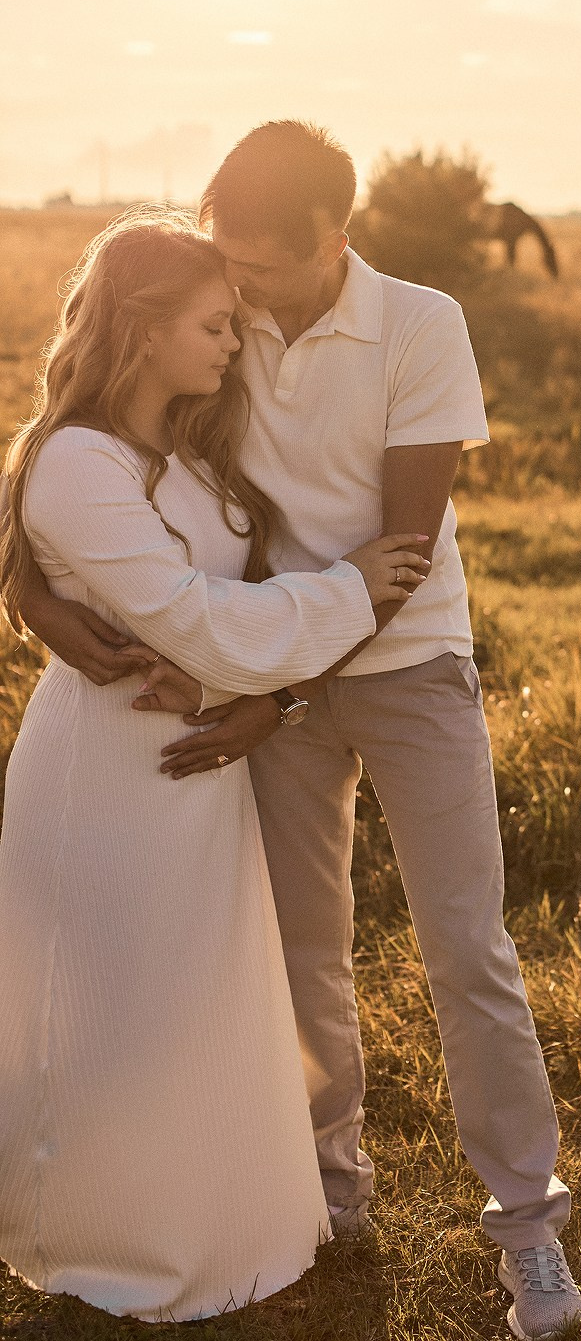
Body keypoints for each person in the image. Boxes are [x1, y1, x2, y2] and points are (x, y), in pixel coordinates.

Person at [20, 122, 581, 1341]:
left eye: (260, 267)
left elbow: (401, 551)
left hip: (401, 663)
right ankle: (333, 1191)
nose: (240, 290)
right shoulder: (223, 319)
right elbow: (104, 462)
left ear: (332, 238)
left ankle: (526, 1225)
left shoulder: (421, 325)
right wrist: (35, 592)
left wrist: (272, 693)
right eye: (225, 261)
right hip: (263, 668)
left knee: (465, 948)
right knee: (301, 951)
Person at [0, 209, 431, 1322]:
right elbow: (201, 623)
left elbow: (228, 610)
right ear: (142, 330)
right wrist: (351, 590)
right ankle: (103, 1231)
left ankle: (218, 1217)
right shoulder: (77, 463)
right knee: (112, 999)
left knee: (196, 994)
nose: (235, 345)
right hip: (108, 768)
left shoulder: (192, 448)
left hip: (201, 764)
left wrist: (262, 693)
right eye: (212, 325)